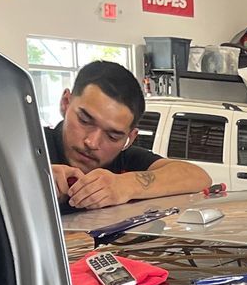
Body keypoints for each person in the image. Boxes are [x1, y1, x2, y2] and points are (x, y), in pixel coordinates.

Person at [46, 60, 209, 209]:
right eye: (84, 120)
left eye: (113, 136)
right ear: (66, 102)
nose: (92, 143)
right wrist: (34, 179)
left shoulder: (123, 162)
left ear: (130, 138)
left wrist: (124, 185)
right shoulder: (28, 148)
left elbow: (198, 177)